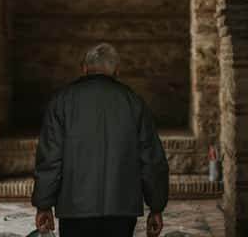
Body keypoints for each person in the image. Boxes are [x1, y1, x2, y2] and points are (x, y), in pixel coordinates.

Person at [32, 43, 169, 237]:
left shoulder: (62, 102)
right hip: (122, 209)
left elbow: (50, 159)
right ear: (117, 71)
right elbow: (151, 161)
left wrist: (43, 205)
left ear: (84, 68)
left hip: (75, 210)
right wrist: (156, 207)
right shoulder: (134, 102)